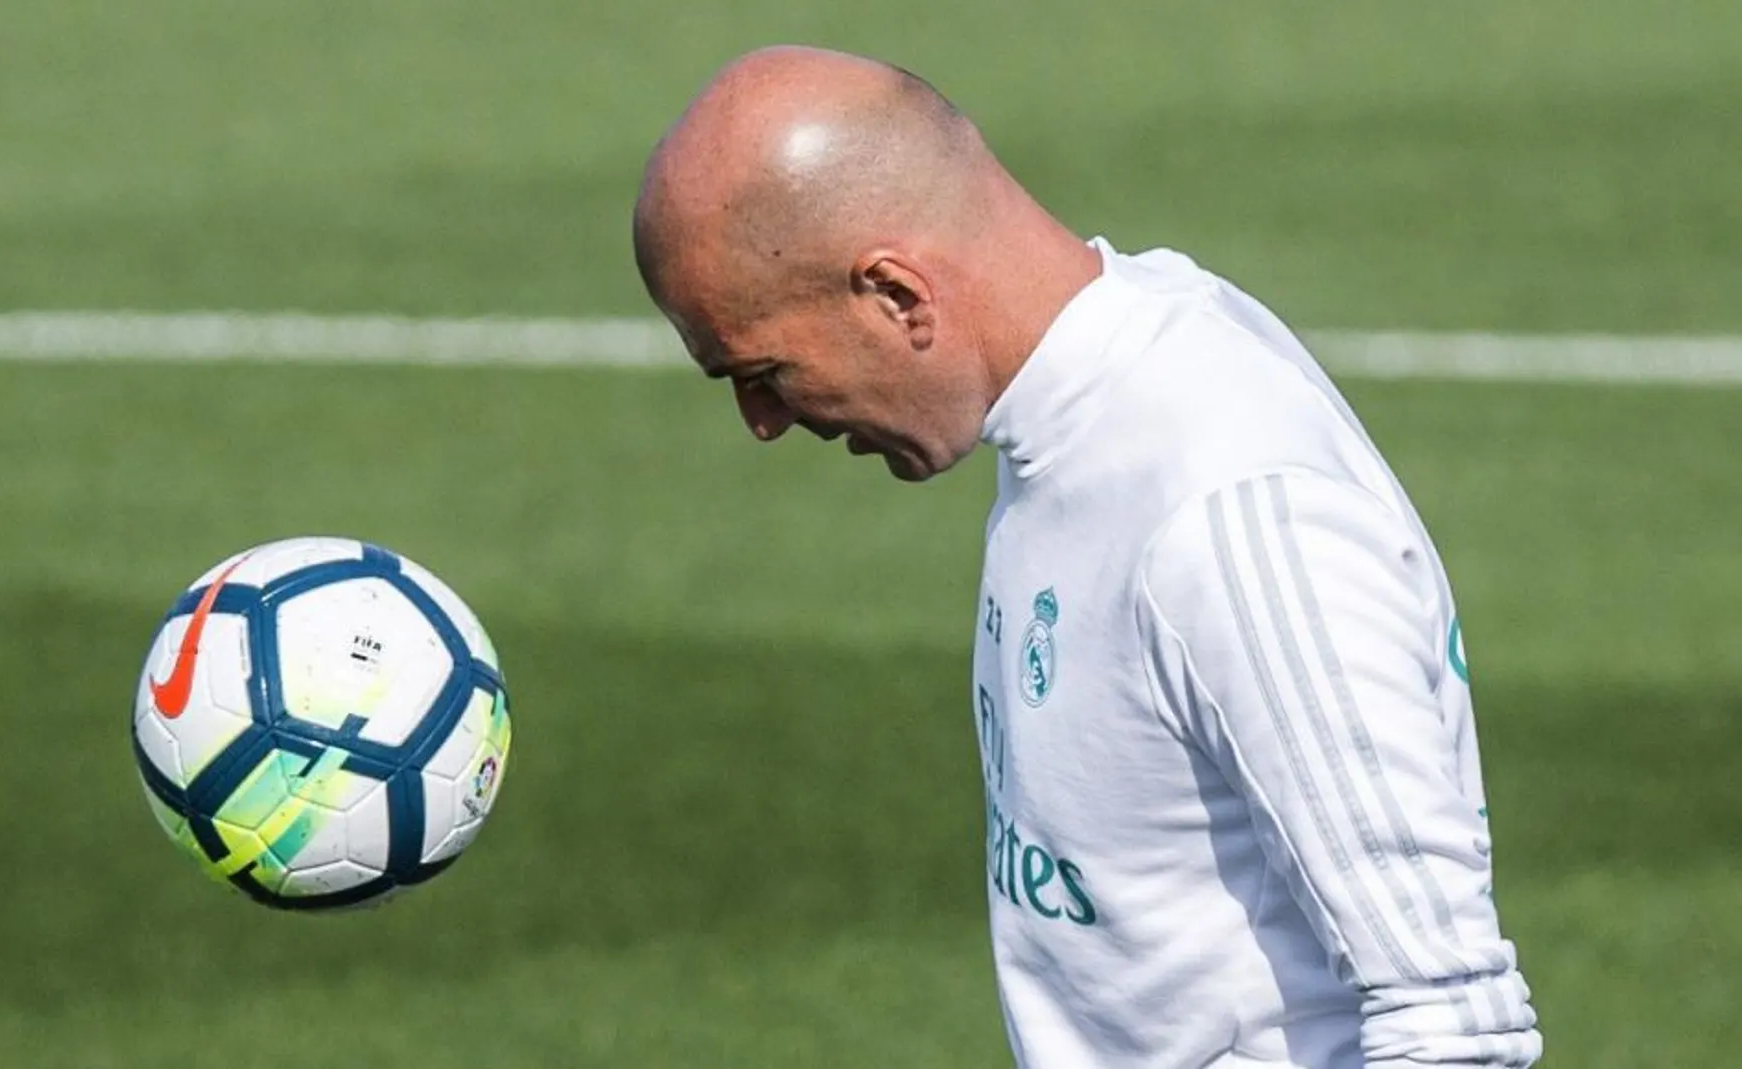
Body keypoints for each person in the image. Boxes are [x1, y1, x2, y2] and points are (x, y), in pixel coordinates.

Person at [632, 45, 1541, 1069]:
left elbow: (1453, 1023)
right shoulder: (1076, 417)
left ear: (895, 293)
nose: (761, 422)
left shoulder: (1227, 509)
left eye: (761, 371)